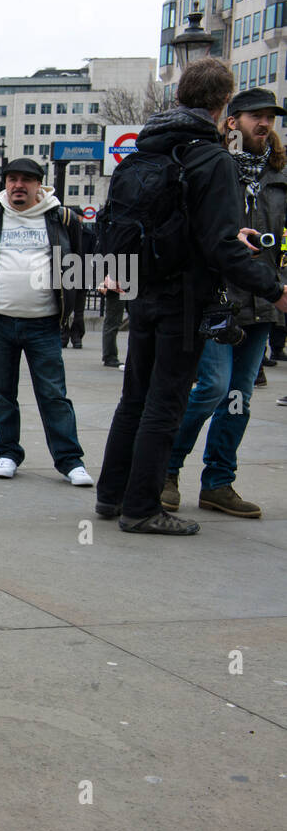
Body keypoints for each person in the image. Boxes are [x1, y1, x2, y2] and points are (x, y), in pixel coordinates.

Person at [97, 59, 287, 534]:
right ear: (224, 103)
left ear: (179, 97)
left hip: (143, 293)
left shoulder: (144, 153)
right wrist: (276, 290)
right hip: (185, 299)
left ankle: (111, 495)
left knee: (134, 399)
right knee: (167, 402)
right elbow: (219, 246)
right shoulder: (210, 157)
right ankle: (142, 508)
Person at [159, 88, 287, 520]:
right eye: (256, 116)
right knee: (212, 387)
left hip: (263, 301)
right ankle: (166, 470)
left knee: (239, 396)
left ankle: (218, 482)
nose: (264, 124)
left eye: (270, 117)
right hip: (219, 298)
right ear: (232, 121)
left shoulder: (279, 176)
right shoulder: (216, 165)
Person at [0, 158, 94, 487]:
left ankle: (70, 461)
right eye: (11, 179)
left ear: (39, 185)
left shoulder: (62, 218)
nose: (17, 185)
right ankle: (7, 453)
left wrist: (73, 313)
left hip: (44, 325)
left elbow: (80, 262)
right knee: (2, 394)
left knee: (53, 395)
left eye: (25, 180)